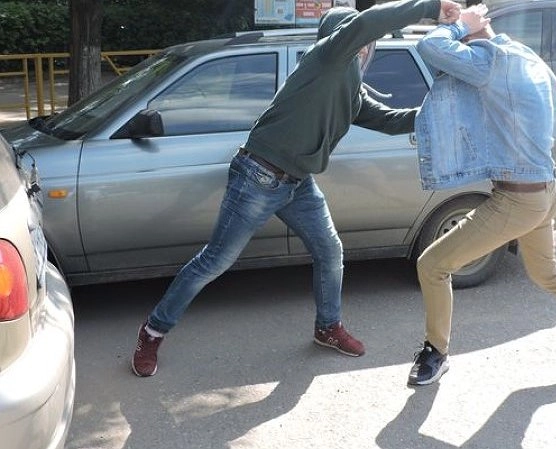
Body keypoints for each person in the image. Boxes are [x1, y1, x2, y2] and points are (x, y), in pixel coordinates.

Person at [131, 0, 463, 377]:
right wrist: (432, 6)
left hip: (298, 183)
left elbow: (388, 121)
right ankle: (153, 331)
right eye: (359, 41)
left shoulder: (352, 90)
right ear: (342, 39)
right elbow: (368, 23)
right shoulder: (325, 59)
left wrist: (438, 114)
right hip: (258, 176)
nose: (364, 49)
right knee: (216, 260)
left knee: (329, 250)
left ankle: (328, 327)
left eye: (367, 45)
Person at [406, 4, 556, 386]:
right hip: (546, 191)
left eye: (458, 30)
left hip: (518, 201)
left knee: (432, 265)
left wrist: (459, 25)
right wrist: (467, 24)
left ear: (469, 34)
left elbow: (431, 48)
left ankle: (436, 353)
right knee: (548, 274)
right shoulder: (521, 54)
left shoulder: (488, 61)